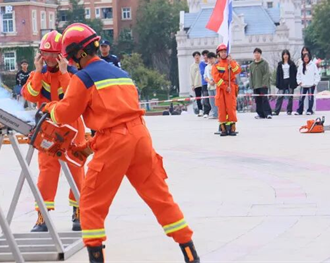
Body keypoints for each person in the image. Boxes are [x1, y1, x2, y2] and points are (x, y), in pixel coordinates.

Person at [41, 23, 199, 263]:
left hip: (115, 142)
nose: (71, 63)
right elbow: (119, 118)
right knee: (160, 197)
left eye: (71, 58)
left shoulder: (84, 77)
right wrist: (90, 146)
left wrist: (49, 109)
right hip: (140, 137)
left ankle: (96, 258)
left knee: (90, 204)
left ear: (79, 53)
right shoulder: (122, 74)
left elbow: (65, 114)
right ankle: (190, 253)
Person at [20, 30, 86, 232]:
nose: (48, 58)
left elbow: (74, 96)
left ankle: (79, 212)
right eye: (45, 54)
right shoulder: (38, 74)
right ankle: (43, 217)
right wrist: (38, 71)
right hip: (47, 129)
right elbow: (30, 95)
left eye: (53, 55)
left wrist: (64, 73)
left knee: (76, 170)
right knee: (47, 172)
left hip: (73, 128)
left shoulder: (73, 73)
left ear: (62, 55)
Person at [212, 44, 241, 135]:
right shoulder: (216, 65)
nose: (223, 53)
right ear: (218, 54)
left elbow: (237, 70)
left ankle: (232, 128)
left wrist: (231, 62)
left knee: (231, 108)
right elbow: (216, 79)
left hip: (231, 87)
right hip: (221, 89)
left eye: (225, 52)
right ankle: (223, 129)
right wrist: (225, 87)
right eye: (222, 52)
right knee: (222, 108)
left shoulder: (231, 62)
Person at [273, 50, 298, 115]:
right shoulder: (280, 64)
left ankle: (289, 110)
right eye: (284, 54)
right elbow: (278, 74)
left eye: (287, 54)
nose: (285, 56)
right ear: (282, 56)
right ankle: (276, 111)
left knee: (290, 96)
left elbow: (295, 73)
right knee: (280, 96)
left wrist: (295, 82)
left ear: (288, 55)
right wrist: (277, 83)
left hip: (290, 81)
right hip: (282, 81)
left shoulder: (292, 64)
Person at [249, 48, 272, 119]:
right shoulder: (252, 65)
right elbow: (251, 75)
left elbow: (267, 74)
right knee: (257, 100)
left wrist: (264, 84)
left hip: (263, 85)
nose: (256, 54)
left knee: (264, 99)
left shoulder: (264, 63)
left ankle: (267, 113)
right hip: (255, 85)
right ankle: (260, 114)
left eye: (258, 53)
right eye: (255, 53)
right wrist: (251, 85)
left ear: (260, 54)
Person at [204, 52, 218, 119]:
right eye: (209, 58)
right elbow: (205, 76)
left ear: (215, 58)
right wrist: (209, 81)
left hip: (216, 86)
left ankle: (219, 113)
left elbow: (219, 75)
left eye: (212, 58)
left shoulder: (217, 66)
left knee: (217, 100)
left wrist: (214, 81)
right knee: (212, 101)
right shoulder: (206, 67)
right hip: (210, 86)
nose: (210, 60)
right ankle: (215, 114)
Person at [190, 51, 203, 116]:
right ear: (194, 57)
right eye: (195, 56)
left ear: (200, 56)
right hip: (196, 84)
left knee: (206, 97)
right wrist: (192, 85)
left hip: (203, 83)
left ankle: (207, 110)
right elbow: (191, 76)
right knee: (198, 98)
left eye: (198, 55)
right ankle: (200, 110)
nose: (197, 57)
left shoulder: (203, 64)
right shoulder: (192, 66)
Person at [199, 50, 211, 118]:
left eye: (206, 55)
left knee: (212, 97)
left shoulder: (212, 63)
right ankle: (206, 111)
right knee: (205, 97)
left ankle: (213, 111)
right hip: (205, 83)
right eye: (204, 55)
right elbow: (202, 72)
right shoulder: (202, 63)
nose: (205, 56)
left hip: (212, 83)